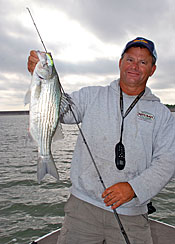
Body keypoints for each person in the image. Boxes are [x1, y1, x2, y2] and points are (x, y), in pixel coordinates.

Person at [28, 37, 175, 244]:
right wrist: (43, 80)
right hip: (82, 209)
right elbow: (62, 113)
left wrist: (134, 188)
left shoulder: (161, 114)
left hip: (132, 214)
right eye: (130, 59)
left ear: (152, 69)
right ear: (120, 63)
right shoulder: (91, 95)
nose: (135, 66)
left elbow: (168, 161)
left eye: (143, 62)